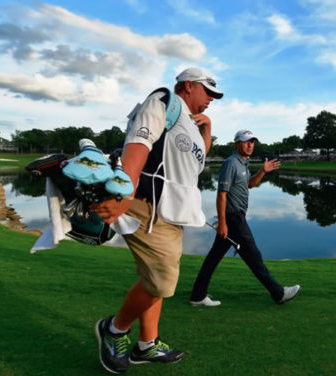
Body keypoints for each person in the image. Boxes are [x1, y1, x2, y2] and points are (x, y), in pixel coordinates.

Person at [90, 67, 223, 374]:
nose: (211, 100)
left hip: (173, 214)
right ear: (188, 86)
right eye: (208, 93)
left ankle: (147, 344)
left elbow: (199, 157)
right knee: (162, 279)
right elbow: (139, 143)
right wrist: (126, 190)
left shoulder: (188, 125)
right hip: (149, 207)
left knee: (156, 278)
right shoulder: (165, 100)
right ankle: (115, 329)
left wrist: (207, 127)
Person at [189, 129, 300, 307]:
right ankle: (278, 293)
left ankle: (197, 295)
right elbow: (222, 194)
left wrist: (263, 171)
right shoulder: (231, 163)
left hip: (235, 217)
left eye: (252, 142)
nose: (250, 145)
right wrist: (223, 223)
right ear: (237, 144)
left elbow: (250, 184)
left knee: (213, 258)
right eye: (246, 141)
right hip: (233, 219)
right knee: (254, 257)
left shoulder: (243, 163)